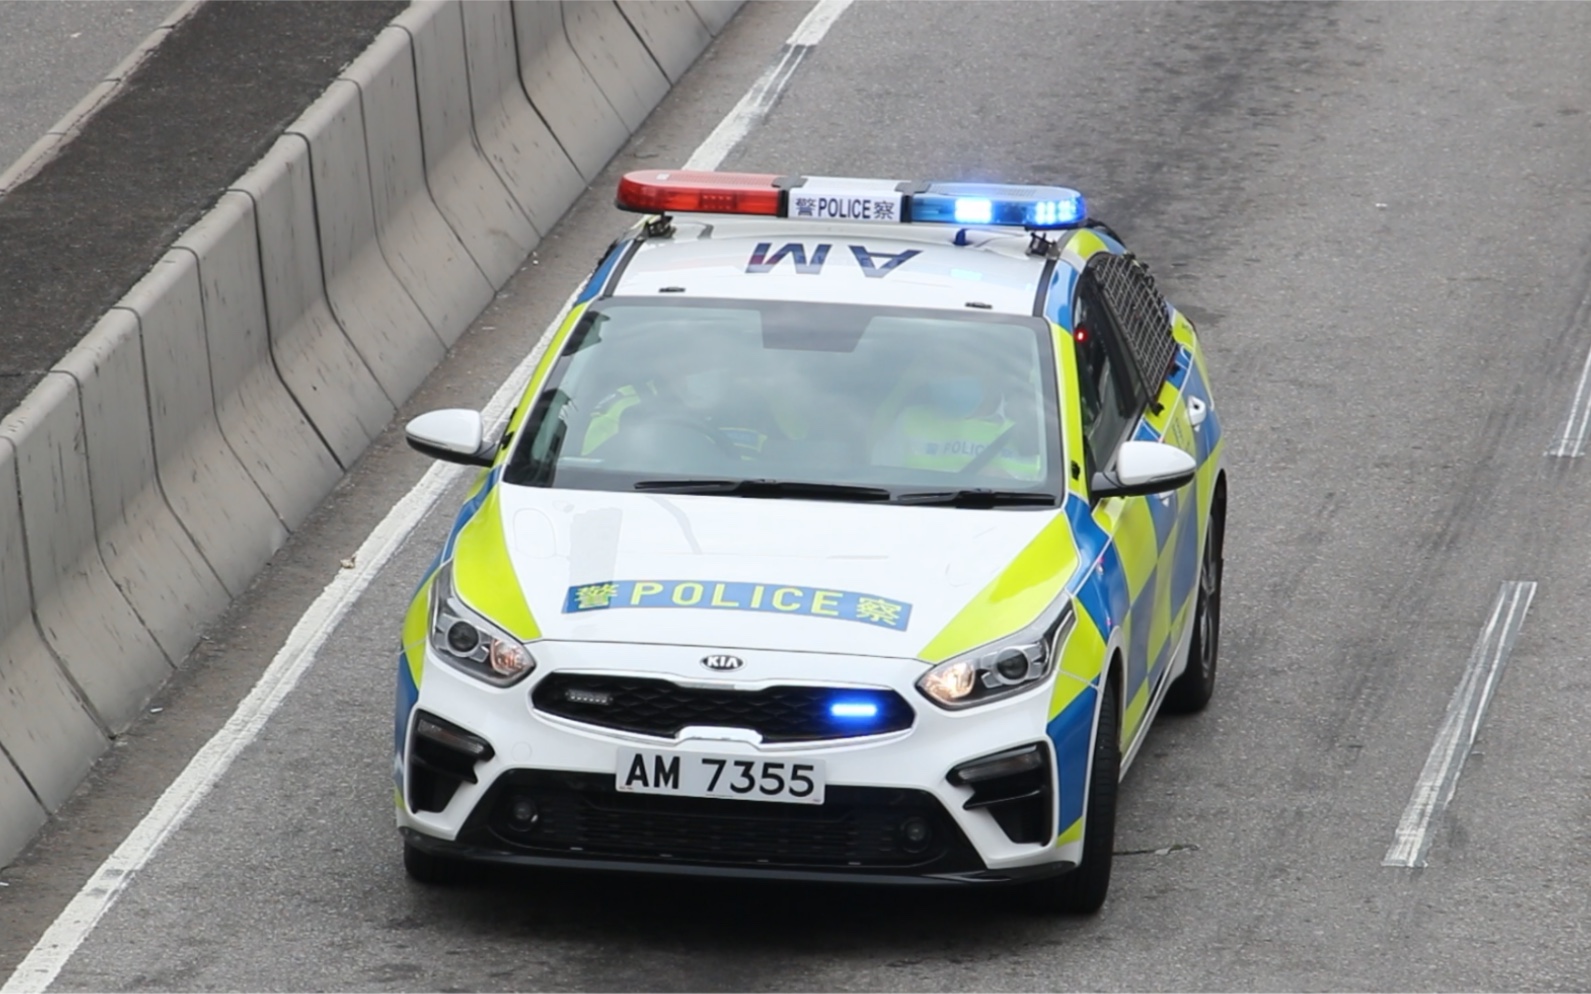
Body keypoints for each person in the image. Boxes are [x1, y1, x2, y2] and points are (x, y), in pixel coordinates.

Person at [870, 346, 1043, 481]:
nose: (948, 378)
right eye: (941, 370)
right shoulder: (910, 421)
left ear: (992, 372)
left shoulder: (1035, 429)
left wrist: (1008, 484)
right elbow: (877, 480)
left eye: (961, 369)